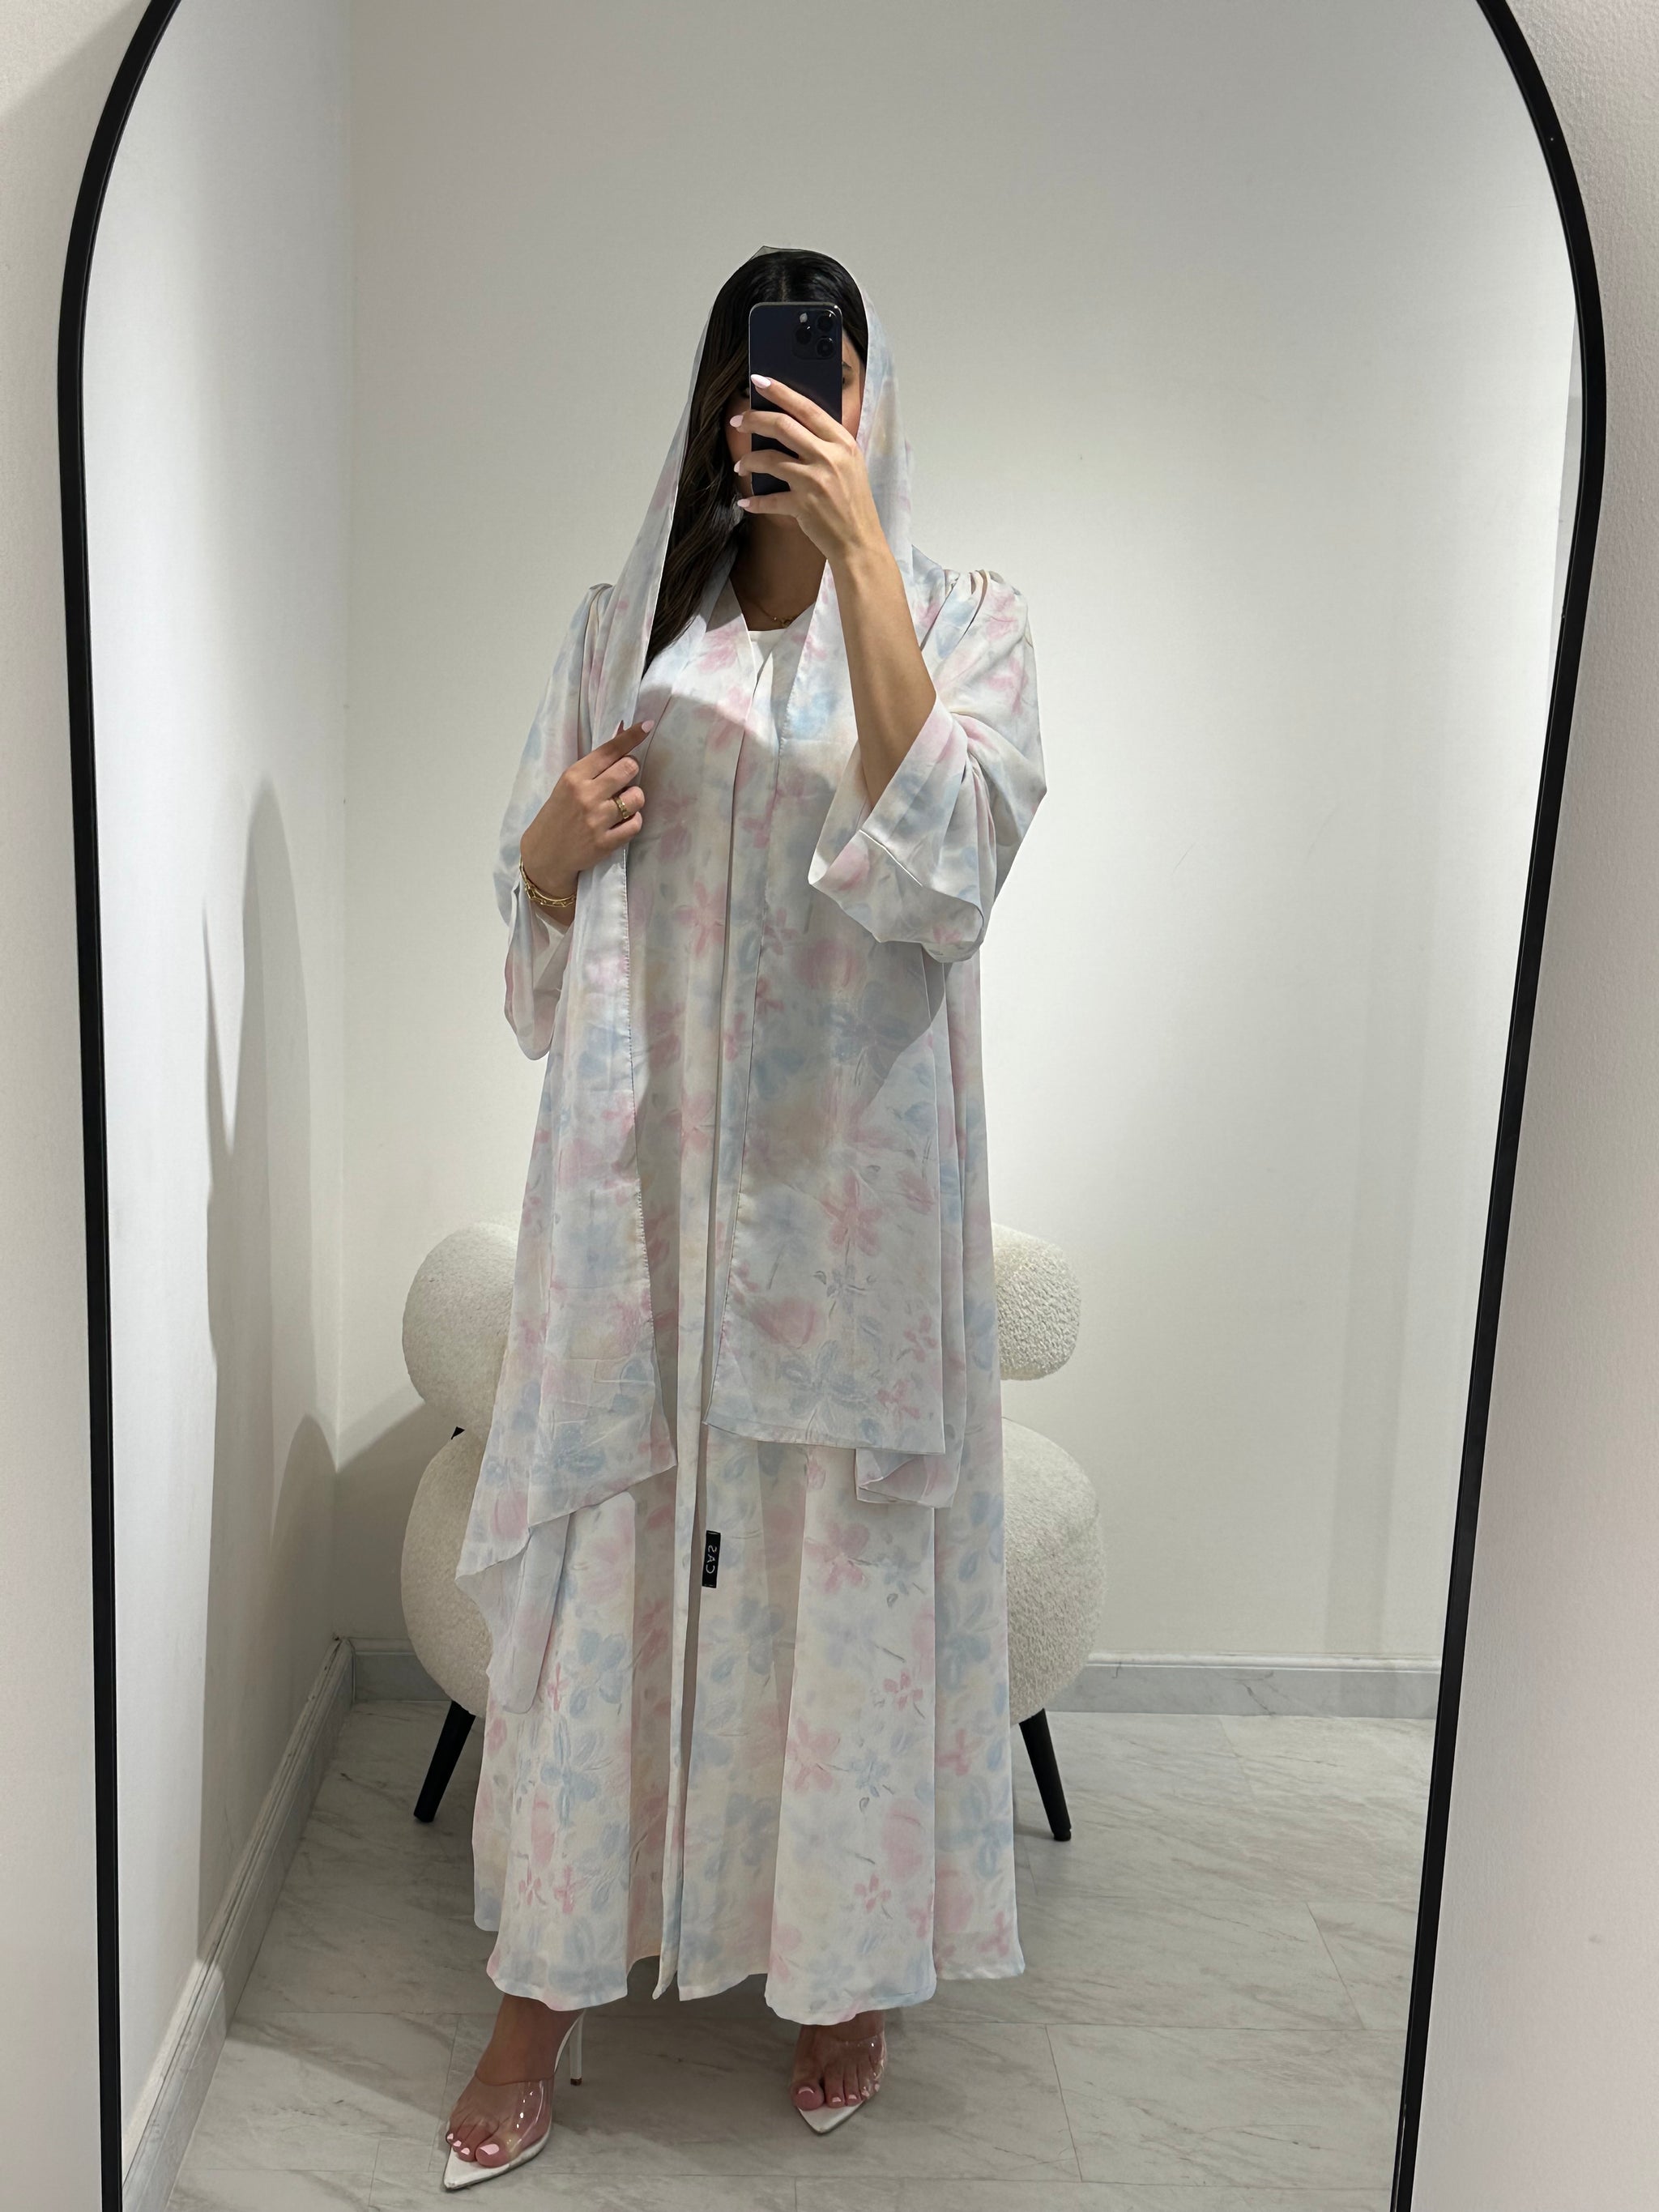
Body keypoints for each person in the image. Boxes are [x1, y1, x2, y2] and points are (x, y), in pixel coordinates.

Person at [441, 246, 1045, 2188]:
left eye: (822, 379)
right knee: (616, 1556)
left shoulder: (963, 619)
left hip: (849, 1207)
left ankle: (839, 1968)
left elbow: (952, 868)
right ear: (714, 401)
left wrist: (859, 551)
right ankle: (539, 1989)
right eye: (756, 373)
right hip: (644, 1199)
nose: (782, 407)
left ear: (866, 401)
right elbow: (533, 942)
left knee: (831, 1577)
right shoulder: (626, 629)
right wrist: (546, 858)